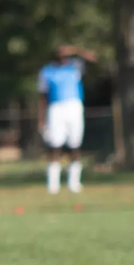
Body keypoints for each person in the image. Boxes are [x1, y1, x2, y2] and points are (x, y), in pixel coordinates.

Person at [38, 45, 96, 194]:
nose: (63, 58)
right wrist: (41, 119)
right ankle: (53, 185)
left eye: (66, 55)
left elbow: (93, 59)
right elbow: (42, 96)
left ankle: (74, 183)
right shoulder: (47, 71)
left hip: (74, 107)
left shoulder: (75, 67)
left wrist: (76, 50)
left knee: (75, 145)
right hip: (56, 108)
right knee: (55, 144)